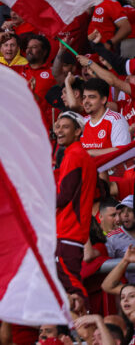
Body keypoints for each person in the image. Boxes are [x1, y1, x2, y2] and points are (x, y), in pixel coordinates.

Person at [53, 111, 97, 301]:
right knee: (68, 287)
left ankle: (86, 326)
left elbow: (63, 196)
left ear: (78, 131)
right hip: (71, 231)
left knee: (73, 287)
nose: (59, 131)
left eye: (65, 127)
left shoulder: (74, 155)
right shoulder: (78, 154)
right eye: (58, 126)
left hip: (68, 231)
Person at [80, 78, 129, 156]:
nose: (86, 101)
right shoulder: (81, 122)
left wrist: (90, 153)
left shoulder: (116, 120)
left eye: (91, 97)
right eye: (84, 97)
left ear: (103, 100)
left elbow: (123, 151)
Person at [105, 197, 135, 283]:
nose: (125, 215)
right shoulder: (112, 238)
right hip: (127, 291)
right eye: (122, 212)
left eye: (129, 210)